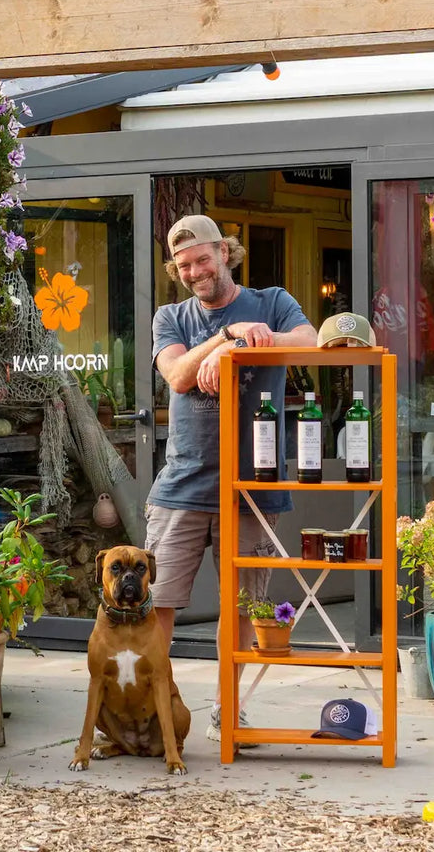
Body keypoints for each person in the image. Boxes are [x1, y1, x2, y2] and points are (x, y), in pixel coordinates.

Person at [147, 214, 317, 743]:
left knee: (241, 606)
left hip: (253, 485)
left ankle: (228, 708)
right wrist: (227, 334)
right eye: (184, 265)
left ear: (224, 252)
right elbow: (178, 376)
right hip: (182, 483)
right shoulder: (171, 316)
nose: (194, 272)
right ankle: (155, 711)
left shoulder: (272, 302)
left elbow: (310, 344)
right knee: (157, 603)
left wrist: (233, 348)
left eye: (202, 259)